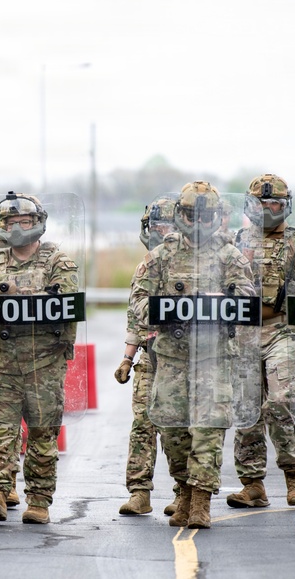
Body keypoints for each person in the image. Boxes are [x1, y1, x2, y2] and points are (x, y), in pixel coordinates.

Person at [128, 181, 257, 529]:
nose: (197, 221)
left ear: (215, 216)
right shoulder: (161, 256)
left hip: (213, 359)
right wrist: (163, 311)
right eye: (190, 214)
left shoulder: (230, 256)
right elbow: (138, 299)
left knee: (208, 431)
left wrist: (221, 303)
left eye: (205, 215)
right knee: (172, 432)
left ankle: (201, 501)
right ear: (180, 215)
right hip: (171, 359)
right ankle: (183, 491)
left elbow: (247, 301)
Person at [0, 192, 81, 525]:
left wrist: (14, 298)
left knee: (43, 435)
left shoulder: (58, 261)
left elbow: (67, 304)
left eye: (25, 221)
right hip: (1, 363)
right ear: (2, 227)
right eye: (11, 222)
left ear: (38, 222)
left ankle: (39, 501)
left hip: (43, 365)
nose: (18, 228)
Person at [223, 174, 295, 510]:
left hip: (282, 330)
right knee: (246, 408)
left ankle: (294, 474)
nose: (267, 209)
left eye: (274, 203)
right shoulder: (236, 241)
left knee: (280, 401)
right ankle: (252, 484)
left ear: (285, 205)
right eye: (261, 203)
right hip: (244, 332)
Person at [115, 196, 178, 516]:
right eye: (154, 225)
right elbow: (136, 317)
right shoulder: (147, 265)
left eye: (165, 225)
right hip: (149, 357)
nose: (158, 232)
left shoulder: (190, 263)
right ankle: (139, 492)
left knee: (177, 428)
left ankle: (184, 491)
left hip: (181, 359)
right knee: (142, 424)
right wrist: (127, 358)